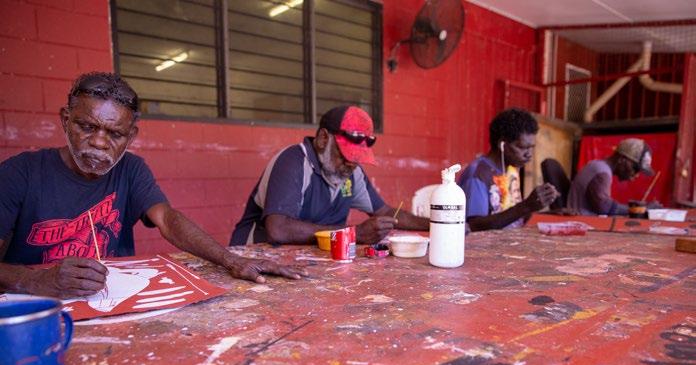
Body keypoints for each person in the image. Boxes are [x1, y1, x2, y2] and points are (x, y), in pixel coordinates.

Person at [0, 72, 307, 299]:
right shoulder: (19, 173)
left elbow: (168, 220)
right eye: (86, 127)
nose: (99, 142)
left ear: (131, 136)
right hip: (35, 307)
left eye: (115, 134)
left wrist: (232, 261)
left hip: (106, 301)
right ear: (65, 119)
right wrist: (38, 281)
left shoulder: (131, 169)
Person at [230, 105, 429, 246]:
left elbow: (384, 211)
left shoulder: (351, 171)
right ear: (323, 139)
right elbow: (278, 230)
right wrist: (353, 234)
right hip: (255, 257)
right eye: (345, 155)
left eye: (357, 158)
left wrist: (434, 224)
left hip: (307, 260)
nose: (351, 164)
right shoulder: (293, 161)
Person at [457, 108, 559, 231]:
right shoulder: (478, 175)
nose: (529, 154)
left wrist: (541, 208)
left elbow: (513, 219)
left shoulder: (511, 169)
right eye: (522, 147)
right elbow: (473, 226)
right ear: (502, 144)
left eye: (531, 147)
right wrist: (526, 206)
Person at [567, 138, 655, 215]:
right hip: (581, 222)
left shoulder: (599, 166)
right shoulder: (602, 172)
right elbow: (604, 207)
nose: (636, 175)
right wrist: (640, 210)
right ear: (622, 159)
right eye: (635, 169)